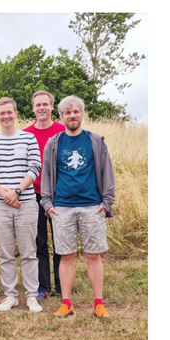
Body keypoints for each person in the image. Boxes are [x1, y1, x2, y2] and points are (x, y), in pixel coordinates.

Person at [40, 95, 115, 319]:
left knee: (94, 256)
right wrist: (47, 204)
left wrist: (106, 203)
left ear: (82, 114)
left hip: (92, 206)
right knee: (66, 256)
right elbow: (46, 176)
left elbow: (107, 173)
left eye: (76, 112)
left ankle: (98, 304)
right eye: (67, 112)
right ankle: (66, 303)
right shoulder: (53, 143)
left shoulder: (96, 141)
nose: (72, 115)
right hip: (62, 208)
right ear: (61, 116)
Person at [0, 97, 42, 313]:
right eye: (2, 113)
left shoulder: (28, 138)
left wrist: (16, 191)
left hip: (25, 203)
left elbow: (35, 166)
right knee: (5, 253)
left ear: (16, 113)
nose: (6, 116)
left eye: (9, 112)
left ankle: (32, 296)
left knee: (29, 252)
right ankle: (10, 295)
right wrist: (5, 194)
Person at [23, 90, 66, 299]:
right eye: (37, 105)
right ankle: (43, 286)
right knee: (39, 242)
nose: (41, 108)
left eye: (45, 105)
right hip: (34, 195)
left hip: (59, 195)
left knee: (60, 241)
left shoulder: (63, 131)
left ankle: (62, 284)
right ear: (33, 108)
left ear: (51, 107)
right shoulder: (25, 134)